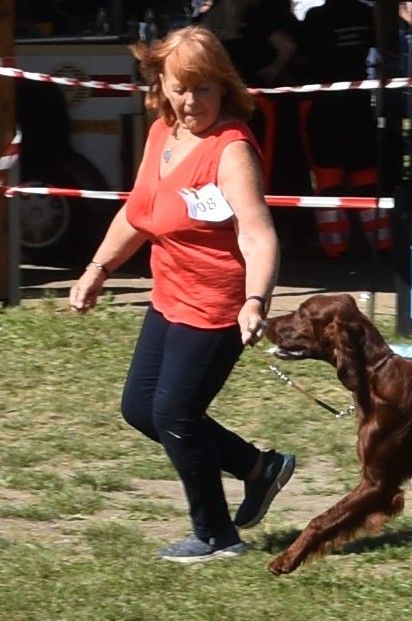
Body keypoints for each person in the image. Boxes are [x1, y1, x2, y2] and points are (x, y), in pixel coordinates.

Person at [68, 26, 295, 564]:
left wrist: (255, 301)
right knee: (141, 409)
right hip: (170, 294)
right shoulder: (161, 134)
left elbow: (257, 232)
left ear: (225, 88)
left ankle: (216, 536)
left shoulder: (231, 148)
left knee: (174, 412)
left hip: (219, 305)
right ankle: (259, 468)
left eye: (206, 89)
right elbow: (138, 211)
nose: (192, 101)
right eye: (181, 87)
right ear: (161, 86)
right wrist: (98, 267)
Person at [300, 0, 393, 259]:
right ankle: (381, 243)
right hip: (358, 106)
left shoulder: (316, 17)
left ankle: (335, 248)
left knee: (330, 179)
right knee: (367, 176)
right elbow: (384, 47)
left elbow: (303, 55)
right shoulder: (366, 13)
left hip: (325, 108)